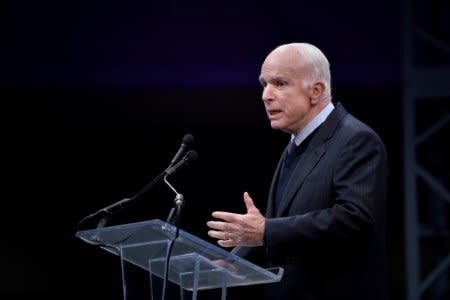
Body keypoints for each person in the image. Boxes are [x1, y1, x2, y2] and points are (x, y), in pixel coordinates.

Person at [206, 43, 388, 300]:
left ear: (316, 91)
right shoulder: (297, 143)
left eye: (279, 83)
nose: (266, 95)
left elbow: (353, 218)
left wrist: (266, 230)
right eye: (264, 84)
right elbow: (287, 223)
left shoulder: (356, 140)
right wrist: (233, 261)